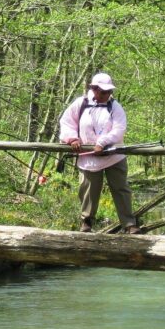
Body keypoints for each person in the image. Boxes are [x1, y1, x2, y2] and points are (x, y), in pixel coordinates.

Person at [59, 73, 141, 234]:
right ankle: (86, 222)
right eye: (103, 92)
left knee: (121, 189)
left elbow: (119, 129)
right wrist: (72, 139)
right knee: (88, 189)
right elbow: (67, 122)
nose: (107, 95)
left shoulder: (115, 107)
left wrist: (102, 143)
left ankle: (129, 224)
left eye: (109, 92)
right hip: (88, 157)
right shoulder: (80, 104)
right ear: (94, 89)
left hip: (113, 155)